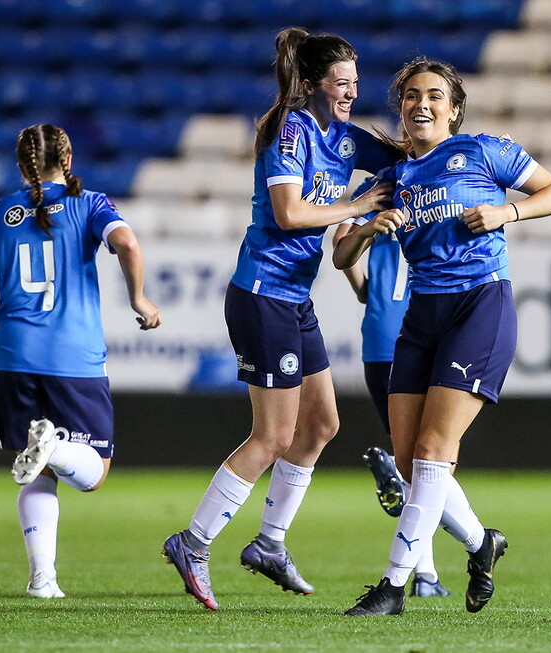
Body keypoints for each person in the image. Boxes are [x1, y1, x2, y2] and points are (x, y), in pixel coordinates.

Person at [161, 27, 398, 611]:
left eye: (355, 83)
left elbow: (401, 162)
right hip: (262, 294)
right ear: (315, 83)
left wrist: (448, 156)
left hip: (293, 298)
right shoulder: (287, 131)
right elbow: (290, 213)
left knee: (321, 425)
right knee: (273, 437)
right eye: (342, 83)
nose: (350, 92)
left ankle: (269, 543)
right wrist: (361, 206)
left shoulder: (342, 136)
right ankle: (192, 542)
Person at [334, 58, 551, 616]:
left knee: (435, 451)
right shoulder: (391, 179)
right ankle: (481, 543)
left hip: (480, 306)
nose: (423, 104)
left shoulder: (485, 151)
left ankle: (393, 587)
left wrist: (507, 212)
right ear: (401, 108)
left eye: (435, 96)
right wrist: (369, 228)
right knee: (411, 462)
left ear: (454, 110)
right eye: (412, 95)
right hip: (421, 316)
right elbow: (341, 252)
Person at [0, 124, 161, 598]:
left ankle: (42, 579)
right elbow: (127, 243)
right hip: (73, 358)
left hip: (13, 358)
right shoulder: (89, 204)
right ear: (67, 161)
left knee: (37, 472)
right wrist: (139, 299)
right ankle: (56, 448)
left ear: (22, 165)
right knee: (92, 474)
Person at [333, 176, 451, 599]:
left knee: (422, 463)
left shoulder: (380, 187)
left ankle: (427, 576)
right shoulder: (443, 181)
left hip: (379, 337)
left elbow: (342, 244)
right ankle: (433, 571)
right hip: (424, 330)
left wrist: (366, 286)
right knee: (433, 462)